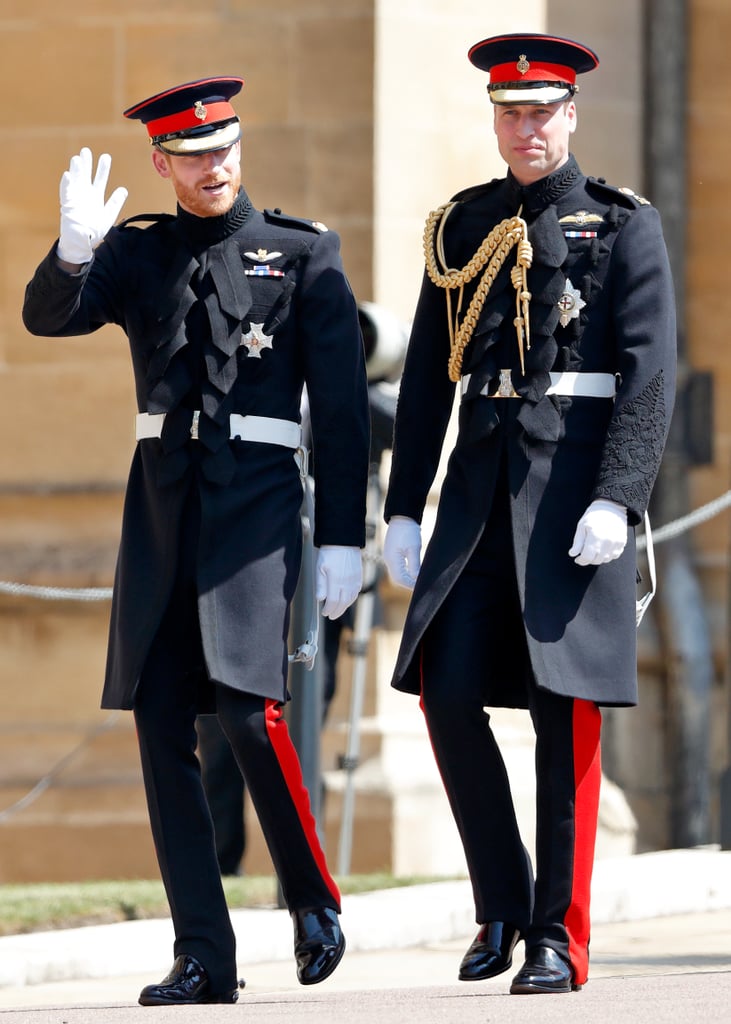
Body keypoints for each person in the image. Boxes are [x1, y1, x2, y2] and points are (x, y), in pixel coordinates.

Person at [23, 76, 370, 1006]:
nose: (211, 168)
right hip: (163, 508)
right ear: (162, 164)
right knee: (159, 721)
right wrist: (71, 252)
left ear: (239, 148)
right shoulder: (138, 257)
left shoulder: (301, 253)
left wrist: (343, 537)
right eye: (191, 156)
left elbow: (340, 413)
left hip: (257, 504)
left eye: (223, 150)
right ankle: (204, 954)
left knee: (250, 707)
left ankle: (312, 898)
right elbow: (43, 318)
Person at [382, 33, 676, 995]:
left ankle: (558, 934)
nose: (525, 127)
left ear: (571, 114)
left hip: (574, 493)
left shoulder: (623, 224)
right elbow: (429, 378)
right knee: (445, 689)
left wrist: (619, 496)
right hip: (476, 490)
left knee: (566, 714)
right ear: (495, 120)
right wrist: (401, 508)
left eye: (541, 110)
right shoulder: (460, 225)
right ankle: (501, 903)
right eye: (509, 112)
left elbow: (649, 376)